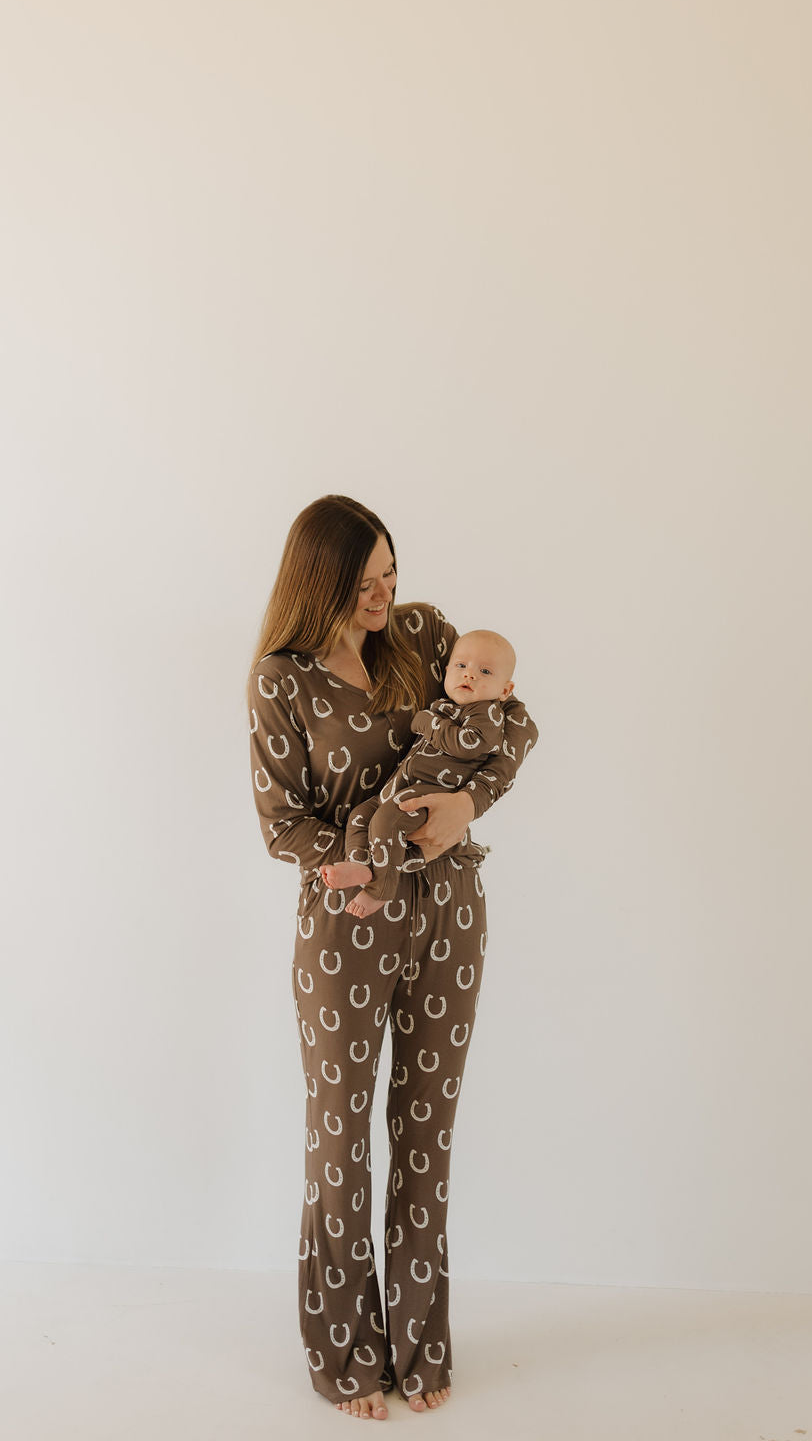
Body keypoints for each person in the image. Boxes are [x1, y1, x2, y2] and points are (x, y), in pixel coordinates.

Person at [247, 496, 537, 1421]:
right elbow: (280, 822)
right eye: (364, 580)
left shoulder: (422, 636)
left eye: (392, 574)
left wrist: (468, 809)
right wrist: (352, 863)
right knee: (340, 1139)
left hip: (449, 915)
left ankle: (419, 1347)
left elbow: (508, 716)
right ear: (319, 580)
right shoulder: (280, 680)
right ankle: (343, 1353)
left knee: (424, 1136)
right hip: (344, 926)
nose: (385, 594)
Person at [320, 630, 518, 918]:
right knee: (361, 816)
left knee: (388, 821)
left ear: (504, 691)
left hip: (431, 792)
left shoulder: (486, 713)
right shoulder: (447, 706)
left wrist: (428, 723)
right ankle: (361, 864)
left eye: (485, 671)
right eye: (461, 666)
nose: (470, 675)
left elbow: (468, 745)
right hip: (400, 787)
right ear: (447, 670)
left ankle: (380, 891)